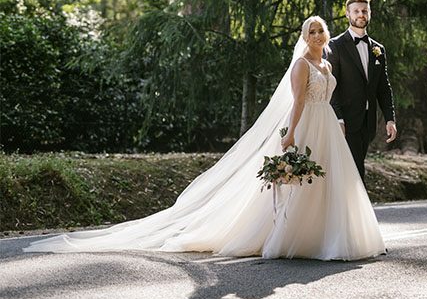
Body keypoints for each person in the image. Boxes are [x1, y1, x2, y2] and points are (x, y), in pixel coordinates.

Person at [24, 16, 386, 261]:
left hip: (328, 126)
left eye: (321, 31)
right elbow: (299, 102)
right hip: (307, 125)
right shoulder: (301, 66)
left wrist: (337, 118)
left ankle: (332, 235)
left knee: (333, 183)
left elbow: (328, 97)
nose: (318, 37)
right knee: (303, 183)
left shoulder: (326, 65)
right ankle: (296, 236)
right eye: (312, 32)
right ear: (304, 38)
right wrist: (291, 133)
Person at [327, 0, 397, 183]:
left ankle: (350, 209)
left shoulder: (378, 49)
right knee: (355, 168)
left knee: (356, 164)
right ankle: (359, 210)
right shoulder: (335, 45)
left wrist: (390, 119)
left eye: (364, 11)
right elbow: (331, 86)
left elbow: (383, 87)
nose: (361, 14)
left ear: (369, 13)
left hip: (367, 121)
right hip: (346, 121)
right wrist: (338, 118)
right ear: (347, 14)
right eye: (356, 11)